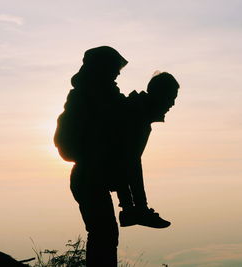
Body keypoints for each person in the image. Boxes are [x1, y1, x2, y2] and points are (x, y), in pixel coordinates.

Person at [54, 46, 127, 267]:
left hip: (91, 175)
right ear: (102, 69)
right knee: (103, 233)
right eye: (114, 68)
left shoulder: (98, 95)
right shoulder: (87, 97)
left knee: (104, 233)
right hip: (88, 176)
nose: (118, 73)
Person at [115, 72, 179, 229]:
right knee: (104, 236)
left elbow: (124, 162)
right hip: (91, 180)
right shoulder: (136, 117)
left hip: (92, 179)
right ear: (160, 95)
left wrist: (129, 207)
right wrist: (140, 208)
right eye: (171, 97)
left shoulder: (137, 112)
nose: (172, 104)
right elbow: (128, 163)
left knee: (106, 235)